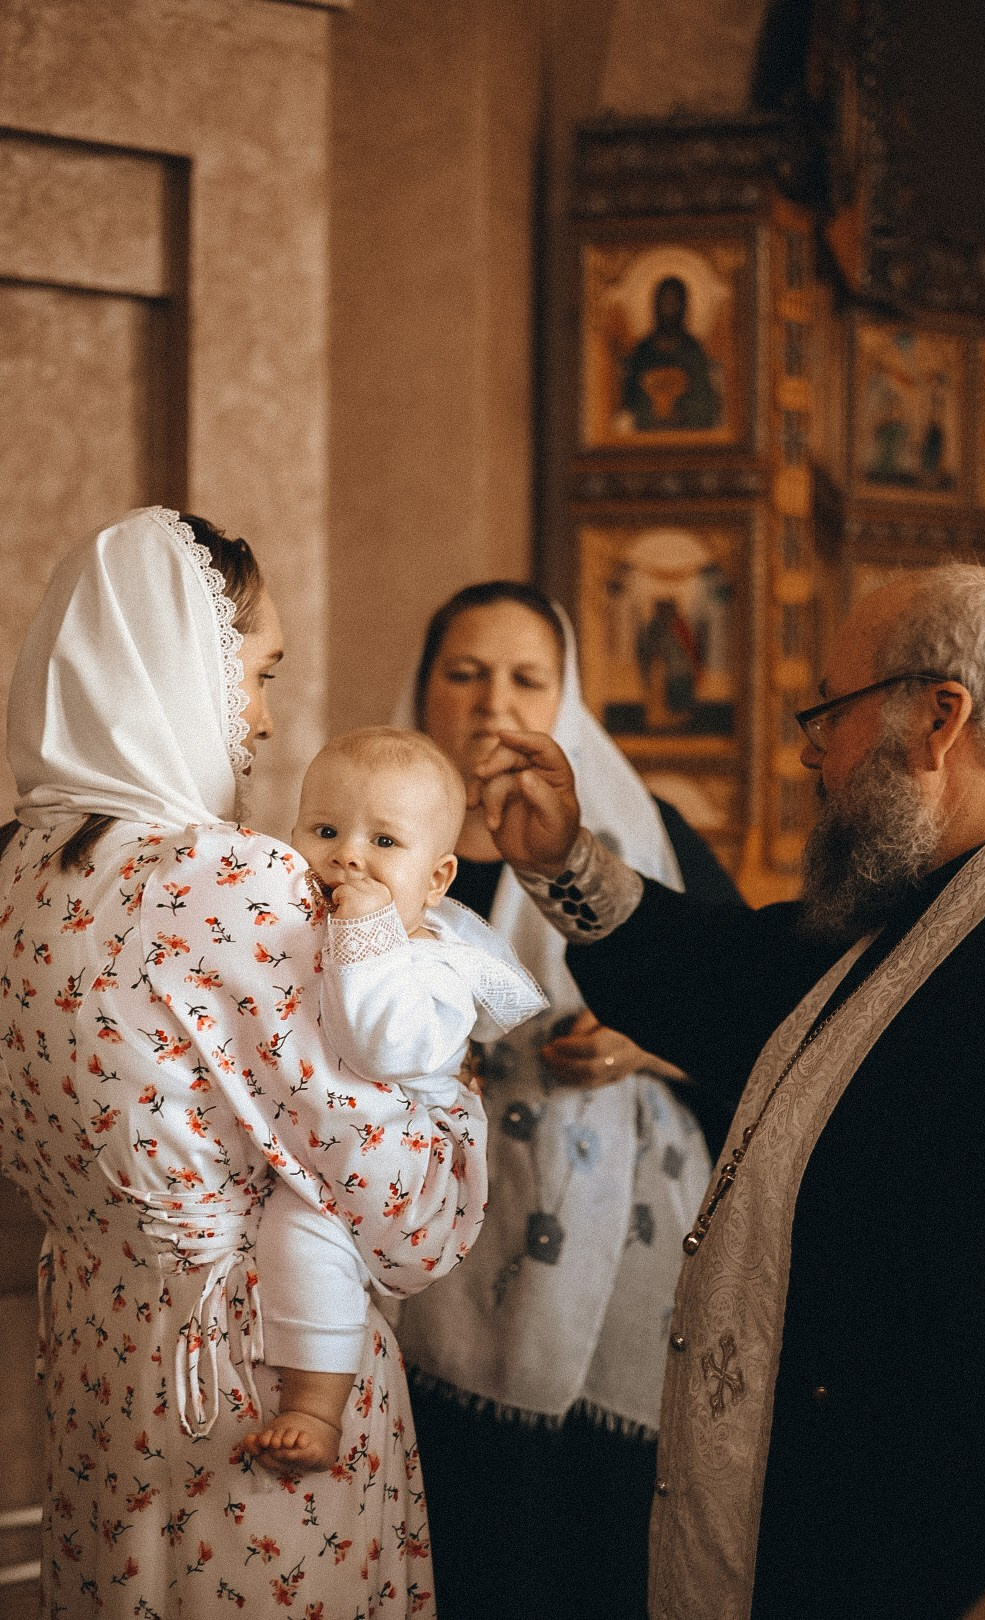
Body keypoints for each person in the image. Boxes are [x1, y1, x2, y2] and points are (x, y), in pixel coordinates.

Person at [469, 563, 985, 1620]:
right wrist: (563, 856)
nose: (809, 749)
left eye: (829, 713)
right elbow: (730, 977)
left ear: (941, 719)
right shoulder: (938, 900)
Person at [0, 508, 488, 1619]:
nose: (262, 720)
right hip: (256, 1390)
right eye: (254, 673)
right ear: (172, 665)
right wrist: (454, 1088)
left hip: (91, 1377)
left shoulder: (14, 878)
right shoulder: (235, 882)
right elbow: (405, 1221)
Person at [390, 581, 743, 1619]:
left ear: (566, 700)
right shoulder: (369, 832)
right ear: (424, 688)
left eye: (526, 679)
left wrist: (648, 1043)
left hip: (610, 1284)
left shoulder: (639, 833)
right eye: (466, 673)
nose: (494, 702)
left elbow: (747, 1019)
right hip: (424, 1283)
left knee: (592, 1564)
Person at [243, 727, 545, 1471]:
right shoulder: (312, 930)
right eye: (324, 830)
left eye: (384, 840)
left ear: (436, 881)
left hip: (406, 1166)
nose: (348, 854)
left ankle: (316, 1406)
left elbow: (382, 1048)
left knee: (303, 1227)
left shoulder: (435, 963)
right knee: (287, 1227)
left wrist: (368, 934)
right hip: (341, 1145)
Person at [621, 275, 723, 432]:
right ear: (656, 305)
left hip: (686, 441)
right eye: (664, 302)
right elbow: (631, 403)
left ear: (683, 306)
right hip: (646, 441)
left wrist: (681, 414)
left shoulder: (693, 351)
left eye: (674, 302)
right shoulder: (643, 351)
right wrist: (652, 415)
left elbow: (704, 404)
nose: (669, 308)